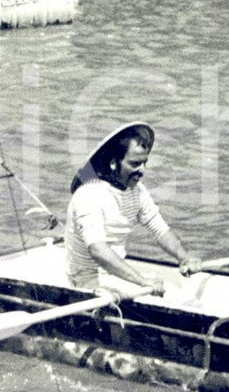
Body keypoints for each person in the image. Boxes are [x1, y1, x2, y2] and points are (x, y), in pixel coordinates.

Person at [65, 122, 202, 297]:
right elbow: (98, 250)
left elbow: (160, 230)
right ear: (113, 162)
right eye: (135, 164)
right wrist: (142, 281)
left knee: (179, 295)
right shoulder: (89, 195)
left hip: (115, 275)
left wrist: (184, 257)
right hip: (86, 281)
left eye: (144, 163)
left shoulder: (137, 191)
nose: (142, 170)